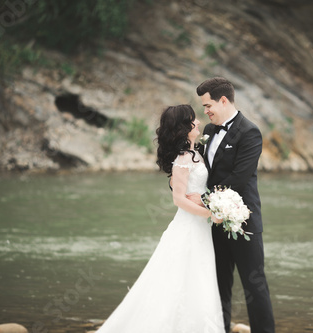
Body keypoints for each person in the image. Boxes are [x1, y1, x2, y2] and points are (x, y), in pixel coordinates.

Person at [95, 105, 225, 333]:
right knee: (181, 277)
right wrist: (210, 213)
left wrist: (207, 201)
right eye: (191, 120)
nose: (197, 123)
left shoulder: (196, 153)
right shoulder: (183, 158)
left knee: (197, 277)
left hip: (199, 227)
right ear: (183, 128)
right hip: (189, 227)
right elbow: (178, 200)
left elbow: (194, 192)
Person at [188, 77, 275, 333]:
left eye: (208, 106)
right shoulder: (208, 131)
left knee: (254, 286)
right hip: (213, 222)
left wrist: (203, 201)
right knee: (219, 283)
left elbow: (238, 178)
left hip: (244, 221)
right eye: (204, 107)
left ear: (223, 100)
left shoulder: (250, 132)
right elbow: (202, 171)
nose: (206, 111)